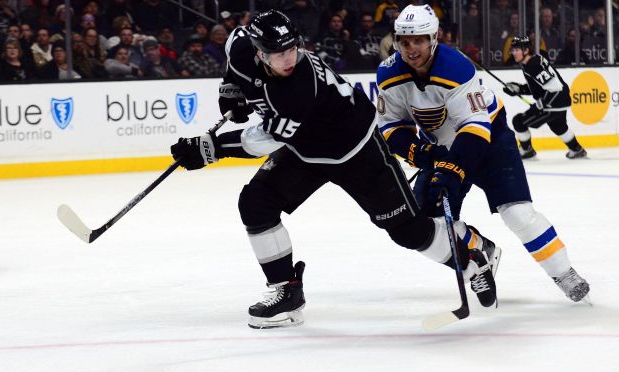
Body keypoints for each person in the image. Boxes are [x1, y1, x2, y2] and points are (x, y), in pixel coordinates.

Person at [169, 10, 498, 330]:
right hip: (307, 150)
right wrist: (232, 89)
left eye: (291, 49)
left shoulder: (298, 86)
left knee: (408, 231)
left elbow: (263, 140)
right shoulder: (243, 44)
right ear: (258, 51)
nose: (287, 59)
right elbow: (235, 52)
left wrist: (210, 149)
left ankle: (471, 256)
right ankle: (287, 291)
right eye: (277, 52)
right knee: (256, 201)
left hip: (357, 148)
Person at [377, 5, 589, 304]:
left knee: (517, 212)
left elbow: (475, 128)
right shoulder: (388, 74)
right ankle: (477, 253)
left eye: (419, 40)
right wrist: (422, 154)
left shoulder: (455, 67)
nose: (411, 48)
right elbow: (390, 126)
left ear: (434, 37)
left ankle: (563, 272)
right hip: (441, 149)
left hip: (489, 139)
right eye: (404, 41)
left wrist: (452, 170)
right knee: (424, 226)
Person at [503, 35, 587, 160]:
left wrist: (541, 104)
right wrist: (519, 89)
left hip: (554, 101)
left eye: (517, 50)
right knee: (558, 126)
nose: (513, 53)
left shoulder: (533, 65)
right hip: (559, 100)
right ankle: (577, 149)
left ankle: (527, 151)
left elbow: (555, 88)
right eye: (513, 50)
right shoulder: (533, 60)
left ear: (526, 50)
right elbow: (540, 87)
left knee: (519, 122)